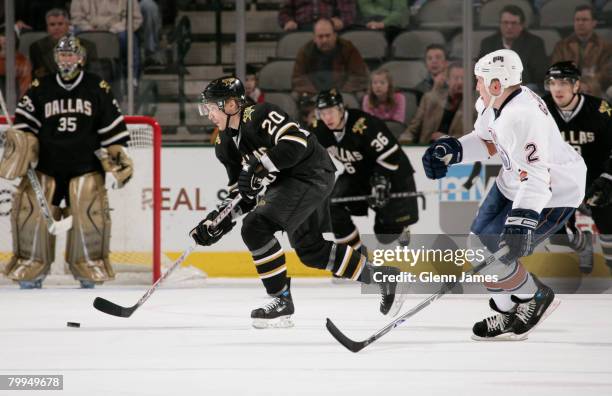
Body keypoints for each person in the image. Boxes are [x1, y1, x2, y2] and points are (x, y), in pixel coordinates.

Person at [191, 76, 403, 329]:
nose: (209, 114)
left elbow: (295, 143)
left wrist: (260, 167)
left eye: (212, 107)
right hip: (292, 183)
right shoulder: (224, 145)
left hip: (310, 172)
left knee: (255, 227)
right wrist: (217, 222)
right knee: (311, 251)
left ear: (231, 105)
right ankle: (383, 277)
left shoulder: (260, 114)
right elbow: (243, 194)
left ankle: (281, 301)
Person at [422, 49, 586, 340]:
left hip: (553, 192)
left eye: (479, 80)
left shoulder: (522, 116)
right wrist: (452, 151)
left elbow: (538, 178)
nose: (476, 86)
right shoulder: (497, 102)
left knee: (497, 252)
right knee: (477, 247)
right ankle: (507, 311)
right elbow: (488, 141)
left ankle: (535, 297)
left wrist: (520, 222)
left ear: (496, 84)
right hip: (512, 181)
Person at [0, 35, 133, 289]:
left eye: (71, 54)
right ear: (55, 58)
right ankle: (31, 264)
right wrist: (23, 146)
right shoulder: (41, 87)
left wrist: (117, 154)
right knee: (31, 212)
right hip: (47, 164)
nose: (67, 59)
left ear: (81, 57)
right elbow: (25, 126)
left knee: (89, 212)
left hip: (85, 165)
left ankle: (88, 264)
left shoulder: (97, 87)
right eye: (62, 54)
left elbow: (111, 128)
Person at [312, 88, 418, 253]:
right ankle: (355, 255)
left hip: (392, 175)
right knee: (333, 205)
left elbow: (392, 155)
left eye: (331, 112)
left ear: (341, 109)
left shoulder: (364, 124)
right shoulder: (320, 130)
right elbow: (306, 153)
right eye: (322, 113)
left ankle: (400, 227)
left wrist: (381, 182)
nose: (327, 118)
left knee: (385, 235)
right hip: (358, 175)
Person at [542, 61, 612, 274]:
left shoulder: (600, 110)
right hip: (559, 182)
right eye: (552, 83)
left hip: (595, 177)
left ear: (576, 85)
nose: (558, 88)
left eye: (564, 82)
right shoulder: (540, 110)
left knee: (608, 225)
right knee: (556, 233)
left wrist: (608, 177)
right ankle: (583, 244)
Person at [292, 18, 369, 97]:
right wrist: (317, 96)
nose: (324, 40)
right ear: (314, 38)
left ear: (335, 36)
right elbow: (299, 78)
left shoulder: (348, 48)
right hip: (314, 96)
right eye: (320, 36)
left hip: (343, 94)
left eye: (328, 36)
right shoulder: (305, 51)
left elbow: (358, 76)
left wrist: (339, 94)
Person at [479, 5, 547, 90]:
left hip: (524, 91)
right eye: (505, 23)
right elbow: (481, 73)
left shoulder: (535, 43)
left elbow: (540, 77)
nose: (509, 27)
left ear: (522, 26)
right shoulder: (488, 43)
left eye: (514, 23)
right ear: (500, 24)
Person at [551, 4, 612, 92]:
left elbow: (606, 74)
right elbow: (556, 70)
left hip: (596, 88)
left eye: (584, 20)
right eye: (577, 20)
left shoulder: (605, 46)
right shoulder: (561, 46)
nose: (580, 23)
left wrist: (588, 85)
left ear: (594, 22)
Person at [400, 61, 465, 144]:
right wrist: (404, 141)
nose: (460, 82)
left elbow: (475, 137)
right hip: (427, 149)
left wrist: (447, 138)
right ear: (448, 80)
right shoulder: (429, 99)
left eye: (463, 78)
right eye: (456, 78)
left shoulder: (477, 105)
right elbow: (413, 129)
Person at [29, 8, 98, 79]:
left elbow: (92, 76)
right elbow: (38, 76)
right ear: (47, 27)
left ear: (68, 25)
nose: (56, 28)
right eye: (52, 25)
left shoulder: (88, 46)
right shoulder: (37, 47)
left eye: (60, 24)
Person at [278, 0, 356, 32]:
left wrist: (341, 21)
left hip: (330, 28)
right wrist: (288, 21)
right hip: (301, 28)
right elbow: (284, 12)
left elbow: (348, 12)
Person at [0, 31, 31, 97]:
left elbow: (25, 86)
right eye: (3, 36)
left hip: (16, 100)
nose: (5, 39)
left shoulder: (23, 62)